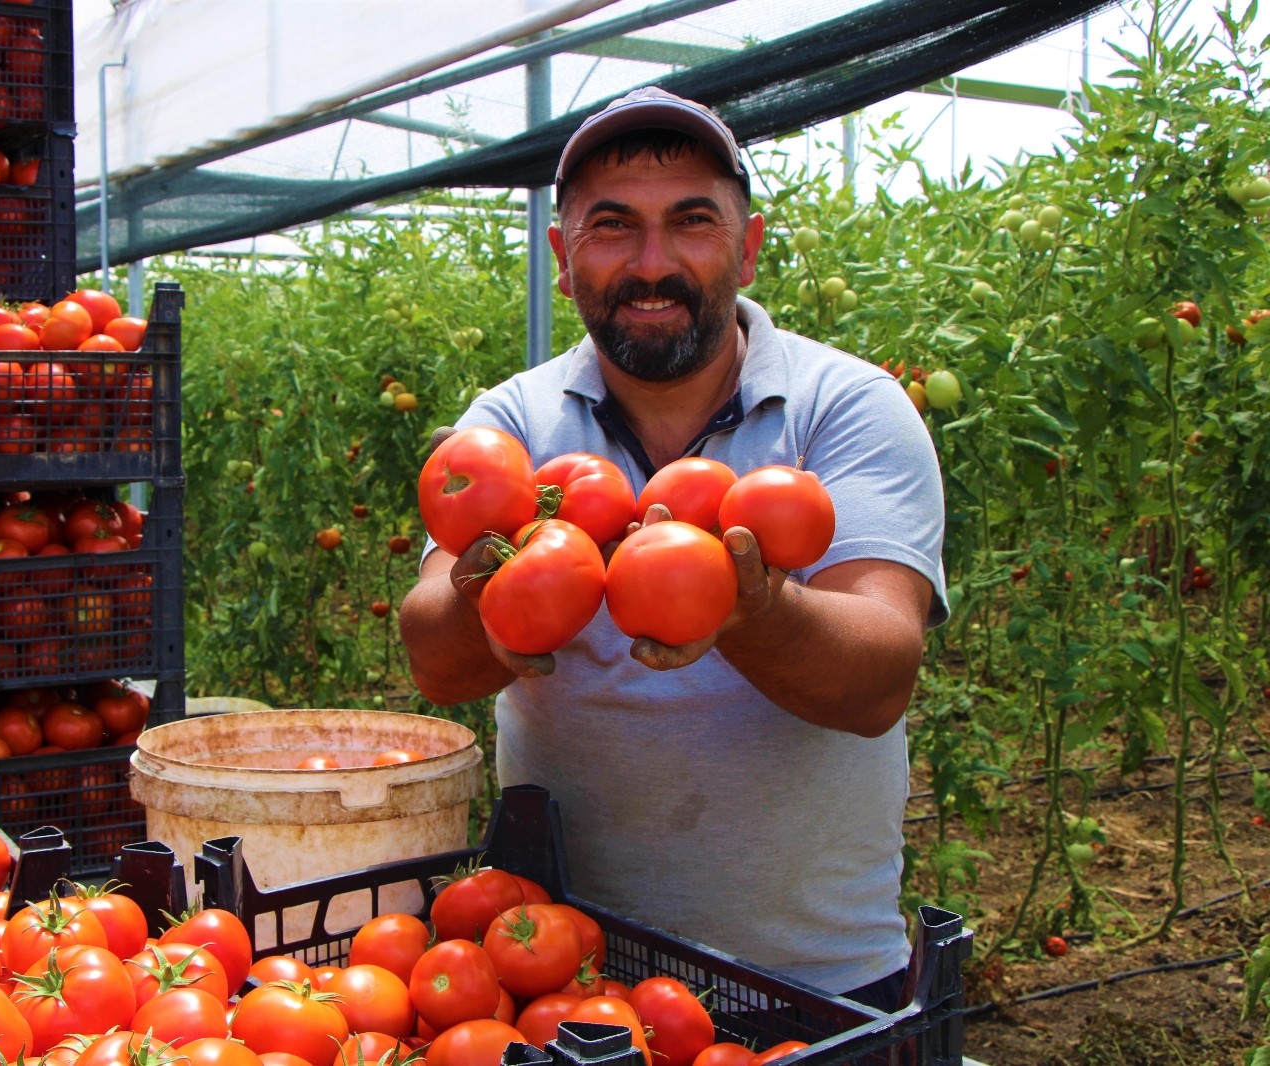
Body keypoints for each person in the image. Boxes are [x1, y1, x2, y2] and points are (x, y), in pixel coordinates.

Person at [397, 86, 949, 1011]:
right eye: (612, 227)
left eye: (691, 221)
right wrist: (491, 594)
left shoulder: (847, 408)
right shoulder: (511, 427)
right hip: (564, 970)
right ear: (563, 261)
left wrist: (742, 604)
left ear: (750, 244)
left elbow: (879, 680)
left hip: (814, 977)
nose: (653, 264)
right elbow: (435, 660)